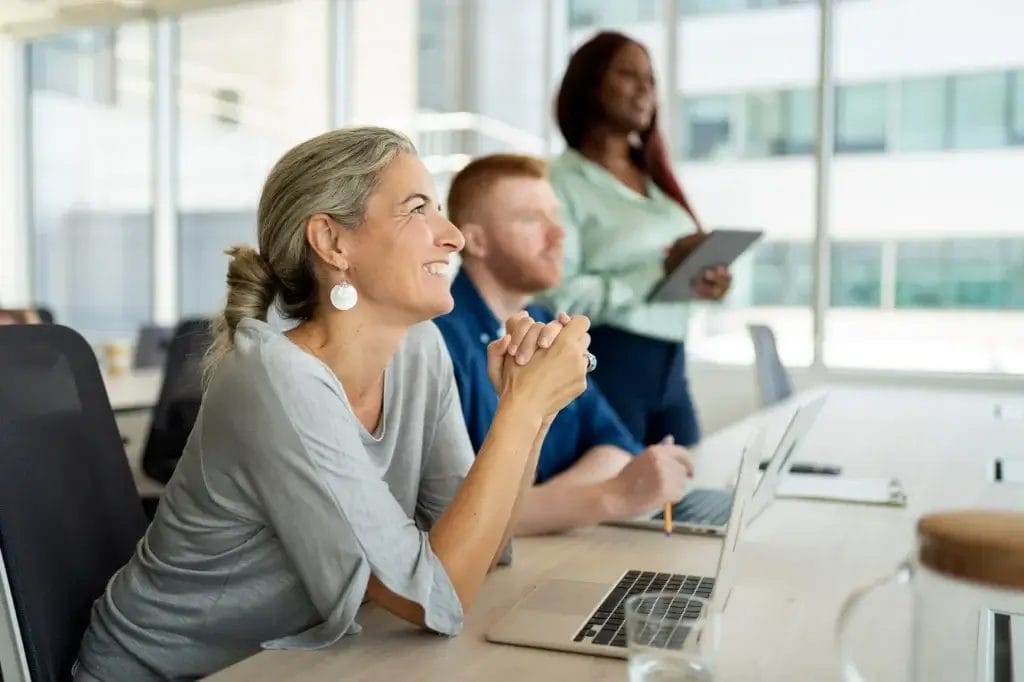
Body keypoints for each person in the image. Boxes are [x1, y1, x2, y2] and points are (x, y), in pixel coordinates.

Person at [73, 127, 592, 681]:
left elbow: (482, 552)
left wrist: (535, 409)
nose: (452, 236)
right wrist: (520, 410)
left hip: (288, 662)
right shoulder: (275, 376)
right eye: (418, 209)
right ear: (332, 242)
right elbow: (436, 598)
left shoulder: (418, 348)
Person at [435, 154, 693, 537]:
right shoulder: (437, 342)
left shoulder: (546, 322)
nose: (558, 235)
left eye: (554, 216)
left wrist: (529, 508)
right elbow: (457, 514)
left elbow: (615, 444)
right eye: (531, 219)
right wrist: (608, 495)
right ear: (474, 240)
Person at [542, 31, 733, 448]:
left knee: (684, 497)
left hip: (672, 369)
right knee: (616, 505)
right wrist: (658, 271)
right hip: (609, 368)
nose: (646, 88)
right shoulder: (561, 181)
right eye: (629, 74)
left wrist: (701, 281)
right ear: (590, 85)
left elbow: (665, 276)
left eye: (651, 78)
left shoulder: (655, 182)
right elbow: (561, 299)